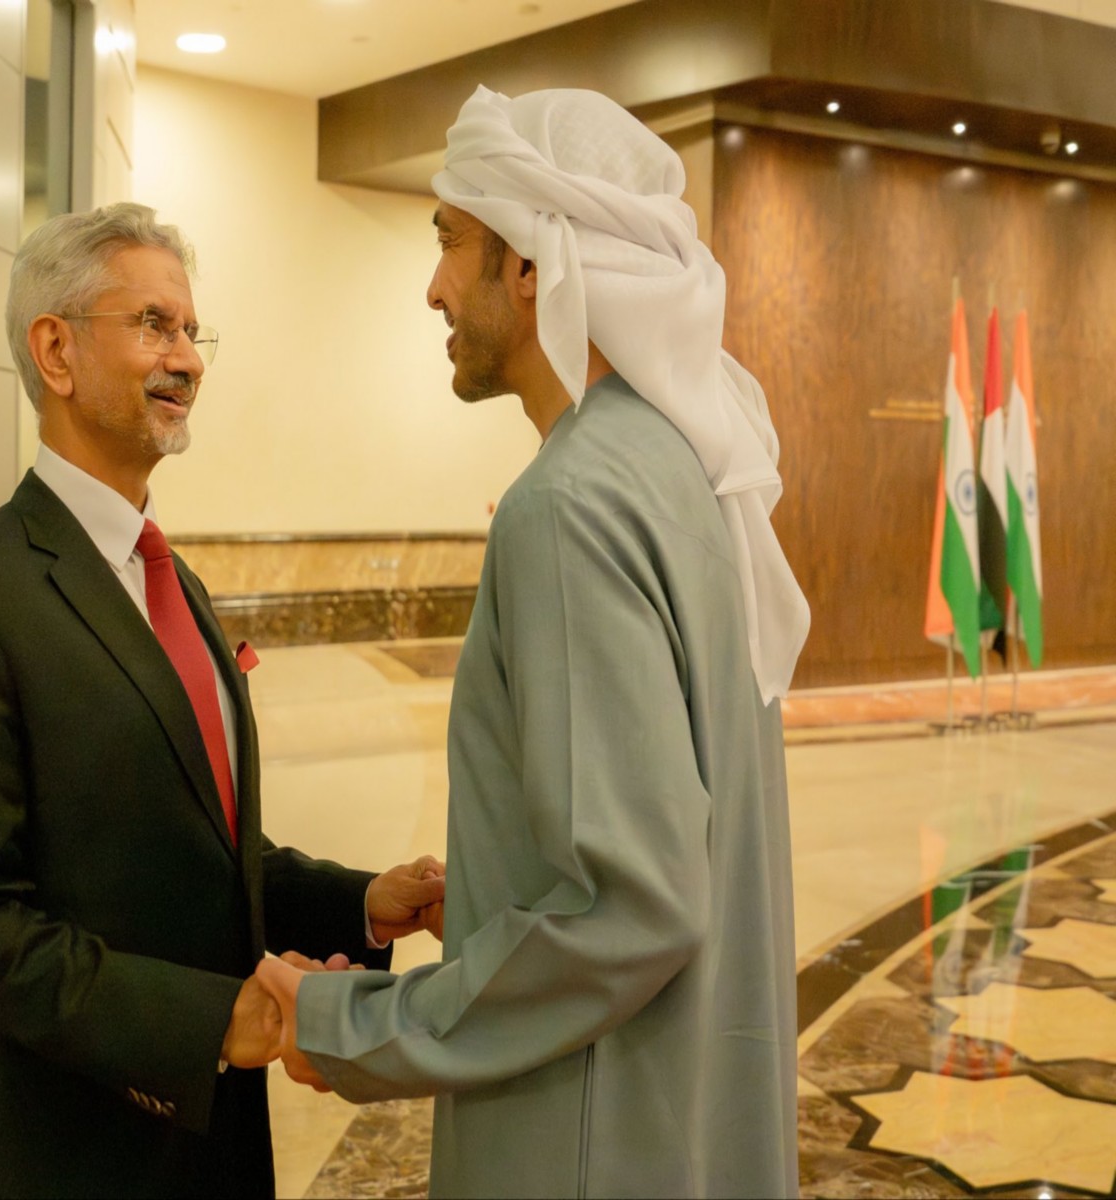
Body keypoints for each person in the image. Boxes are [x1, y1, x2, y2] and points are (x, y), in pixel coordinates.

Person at [257, 87, 811, 1199]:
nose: (432, 288)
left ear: (530, 268)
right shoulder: (674, 473)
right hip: (678, 1111)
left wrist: (353, 1022)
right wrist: (502, 891)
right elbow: (658, 837)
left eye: (450, 242)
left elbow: (634, 906)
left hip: (588, 1138)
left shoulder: (567, 504)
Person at [0, 203, 445, 1199]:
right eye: (152, 324)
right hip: (58, 1149)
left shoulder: (168, 581)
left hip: (205, 1135)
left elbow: (205, 848)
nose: (186, 358)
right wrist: (207, 1021)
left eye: (191, 330)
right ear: (54, 351)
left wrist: (359, 901)